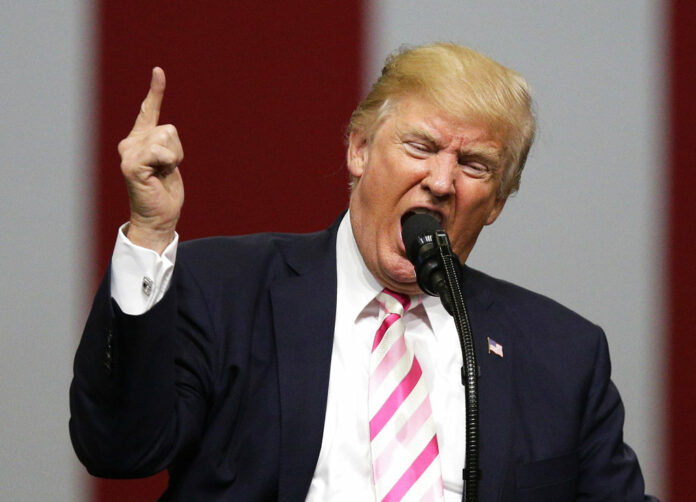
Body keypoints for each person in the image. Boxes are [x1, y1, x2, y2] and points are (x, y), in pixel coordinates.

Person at [70, 43, 658, 501]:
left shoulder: (561, 353)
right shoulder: (226, 287)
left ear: (498, 202)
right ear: (358, 150)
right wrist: (149, 235)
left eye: (475, 164)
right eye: (421, 146)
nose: (442, 181)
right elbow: (120, 449)